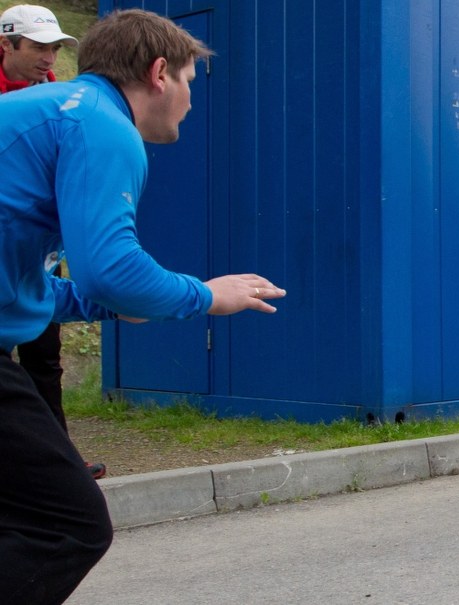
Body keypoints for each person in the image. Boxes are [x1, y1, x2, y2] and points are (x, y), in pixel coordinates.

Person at [0, 9, 286, 604]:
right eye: (189, 82)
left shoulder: (56, 112)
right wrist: (206, 295)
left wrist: (105, 306)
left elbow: (25, 290)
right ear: (159, 73)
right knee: (69, 522)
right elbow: (113, 269)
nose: (189, 102)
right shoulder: (102, 125)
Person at [1, 3, 108, 480]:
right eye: (39, 47)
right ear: (6, 44)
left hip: (42, 253)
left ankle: (59, 459)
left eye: (55, 48)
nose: (49, 58)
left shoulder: (57, 94)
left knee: (45, 356)